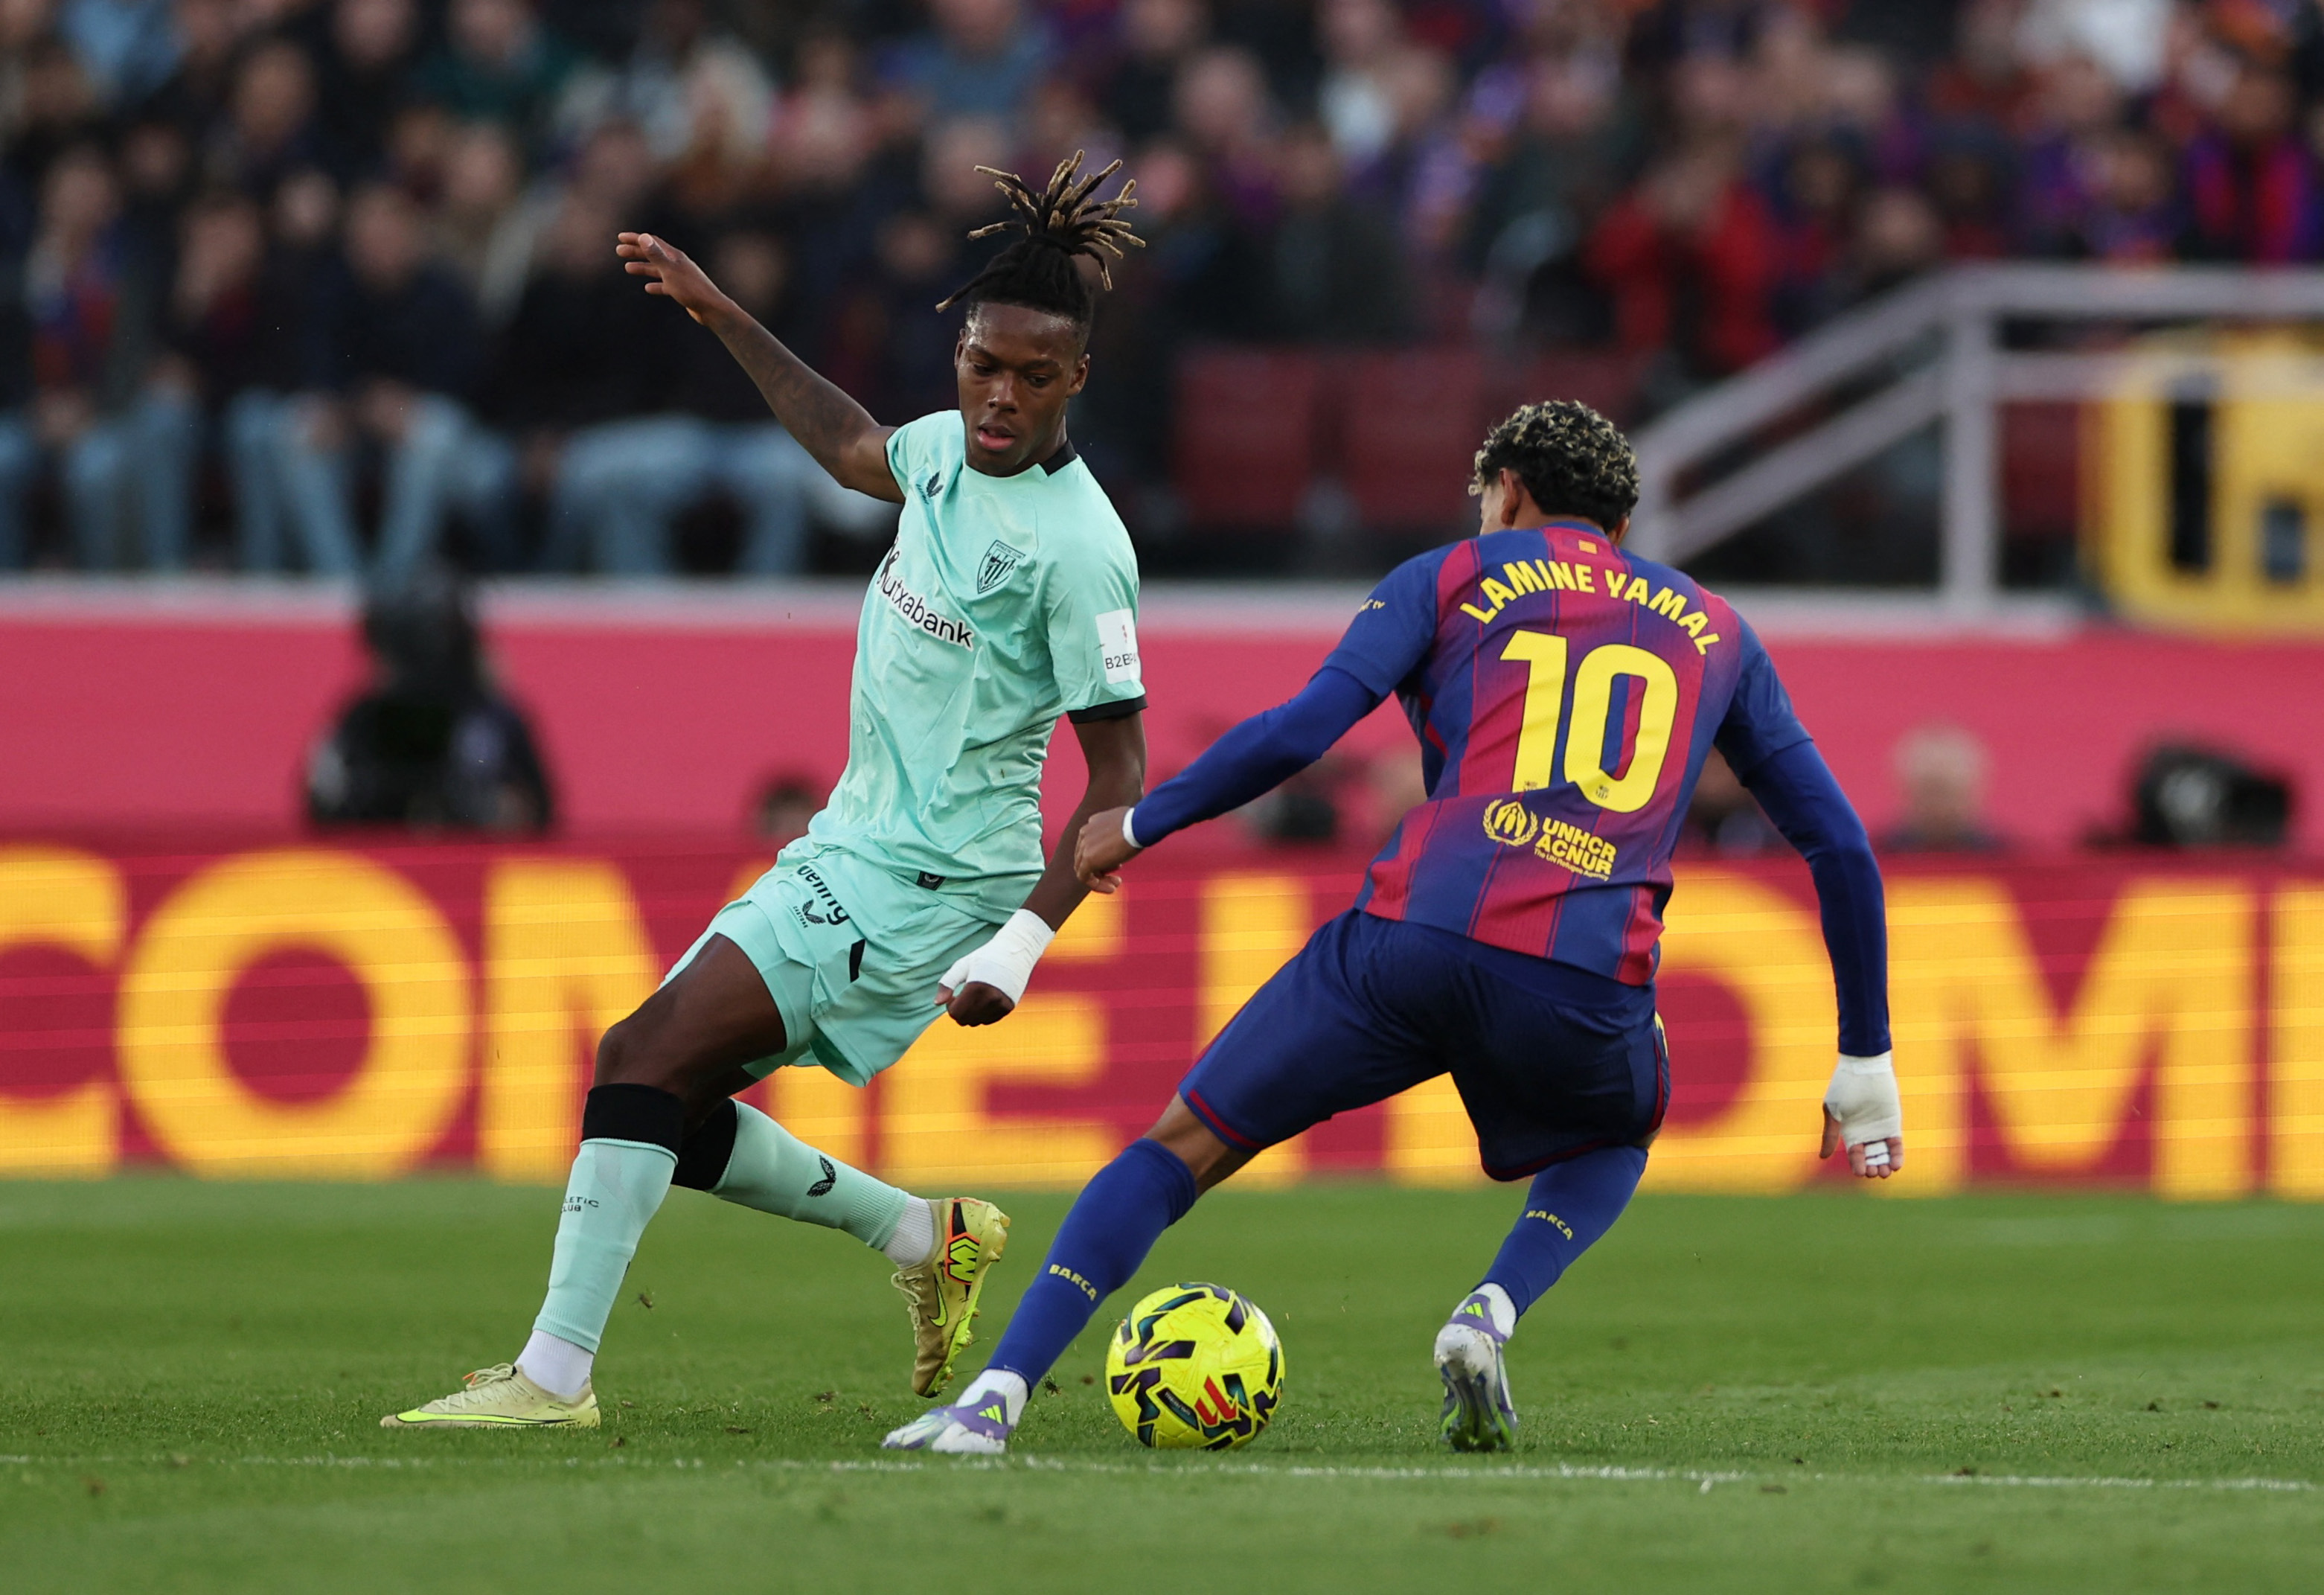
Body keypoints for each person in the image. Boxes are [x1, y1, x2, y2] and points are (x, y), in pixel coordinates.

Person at [886, 400, 1897, 1457]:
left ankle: (992, 1397)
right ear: (1618, 525)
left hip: (1409, 940)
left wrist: (1138, 820)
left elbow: (1302, 729)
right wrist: (1862, 1051)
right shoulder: (1718, 629)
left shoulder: (1450, 574)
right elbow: (1836, 843)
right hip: (1580, 972)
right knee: (1610, 1133)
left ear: (1506, 487)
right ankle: (1491, 1308)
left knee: (1176, 1148)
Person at [382, 153, 1152, 1430]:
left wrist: (1020, 944)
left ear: (1077, 377)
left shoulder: (1081, 552)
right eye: (980, 365)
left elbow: (1119, 778)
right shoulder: (947, 458)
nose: (998, 396)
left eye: (1030, 375)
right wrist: (717, 310)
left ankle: (551, 1379)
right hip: (849, 845)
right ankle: (921, 1233)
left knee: (638, 1058)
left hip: (930, 884)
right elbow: (855, 448)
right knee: (655, 1094)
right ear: (959, 354)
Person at [306, 566, 554, 832]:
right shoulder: (363, 718)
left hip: (467, 860)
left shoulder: (491, 717)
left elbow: (538, 811)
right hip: (381, 863)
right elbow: (325, 803)